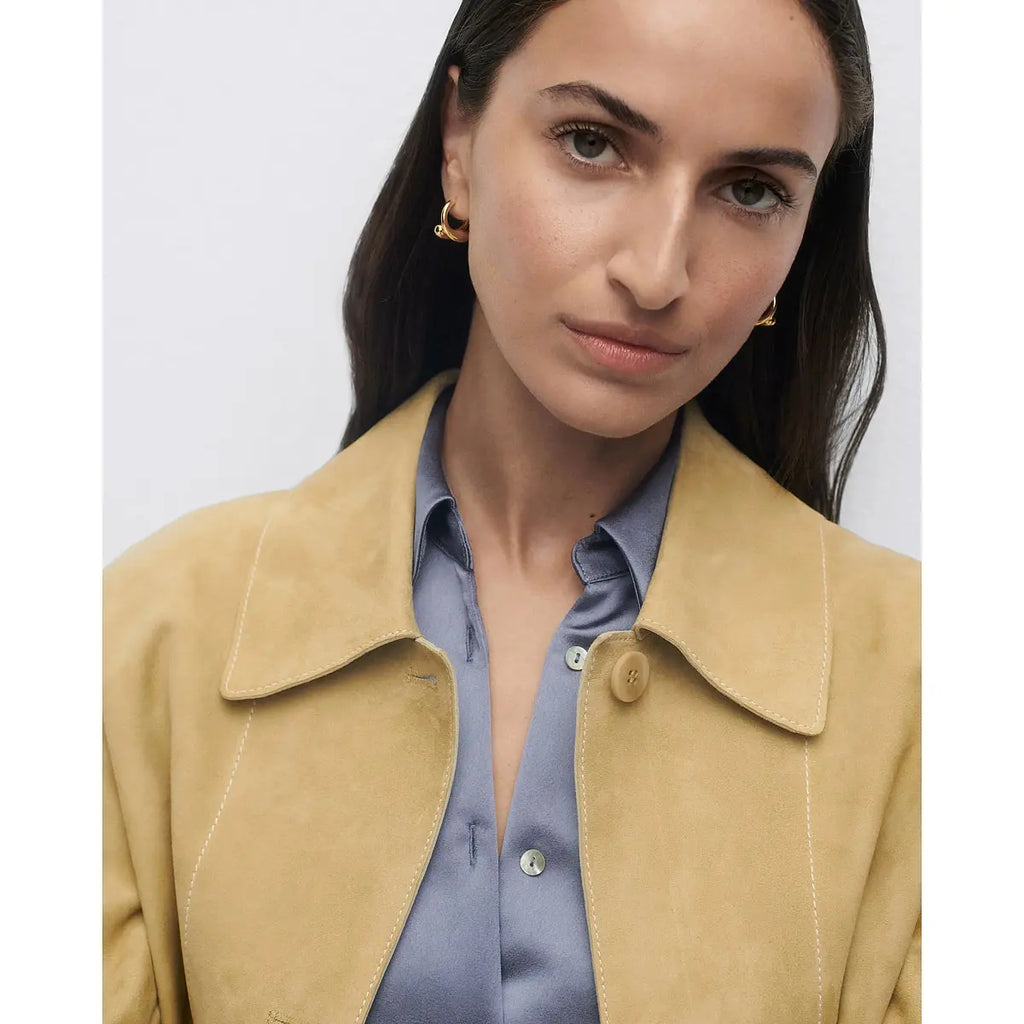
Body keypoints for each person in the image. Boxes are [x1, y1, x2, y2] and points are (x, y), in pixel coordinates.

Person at [103, 0, 920, 1021]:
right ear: (459, 142)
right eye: (593, 143)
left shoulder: (926, 688)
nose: (656, 271)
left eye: (750, 190)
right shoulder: (149, 639)